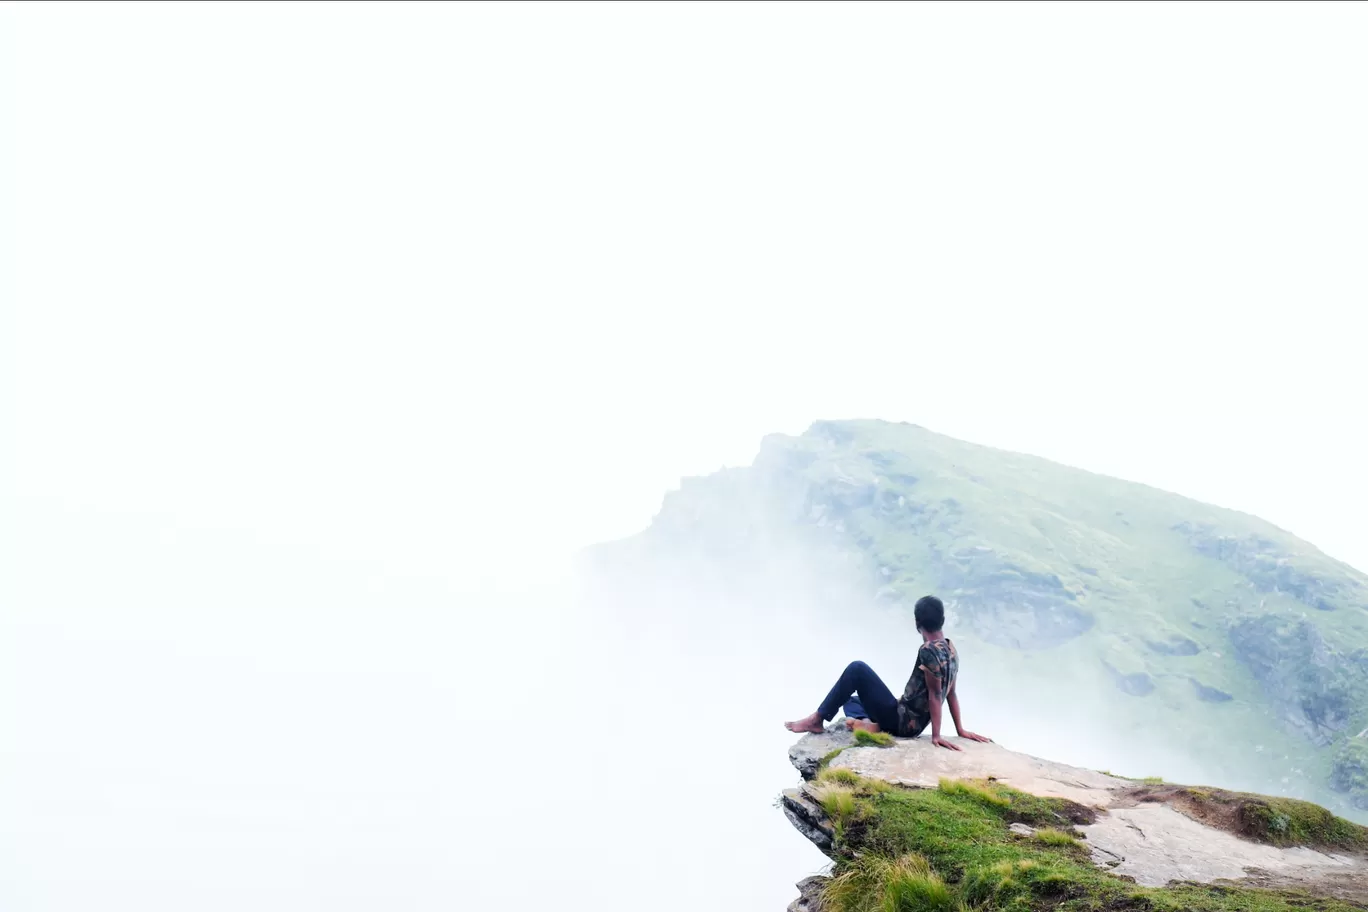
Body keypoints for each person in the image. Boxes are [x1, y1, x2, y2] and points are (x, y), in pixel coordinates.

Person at [784, 595, 992, 751]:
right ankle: (870, 726)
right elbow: (951, 693)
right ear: (942, 620)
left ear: (917, 623)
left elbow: (936, 695)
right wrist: (960, 730)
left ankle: (817, 720)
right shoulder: (951, 649)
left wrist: (936, 736)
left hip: (903, 722)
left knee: (857, 669)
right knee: (852, 700)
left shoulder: (928, 650)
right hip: (911, 721)